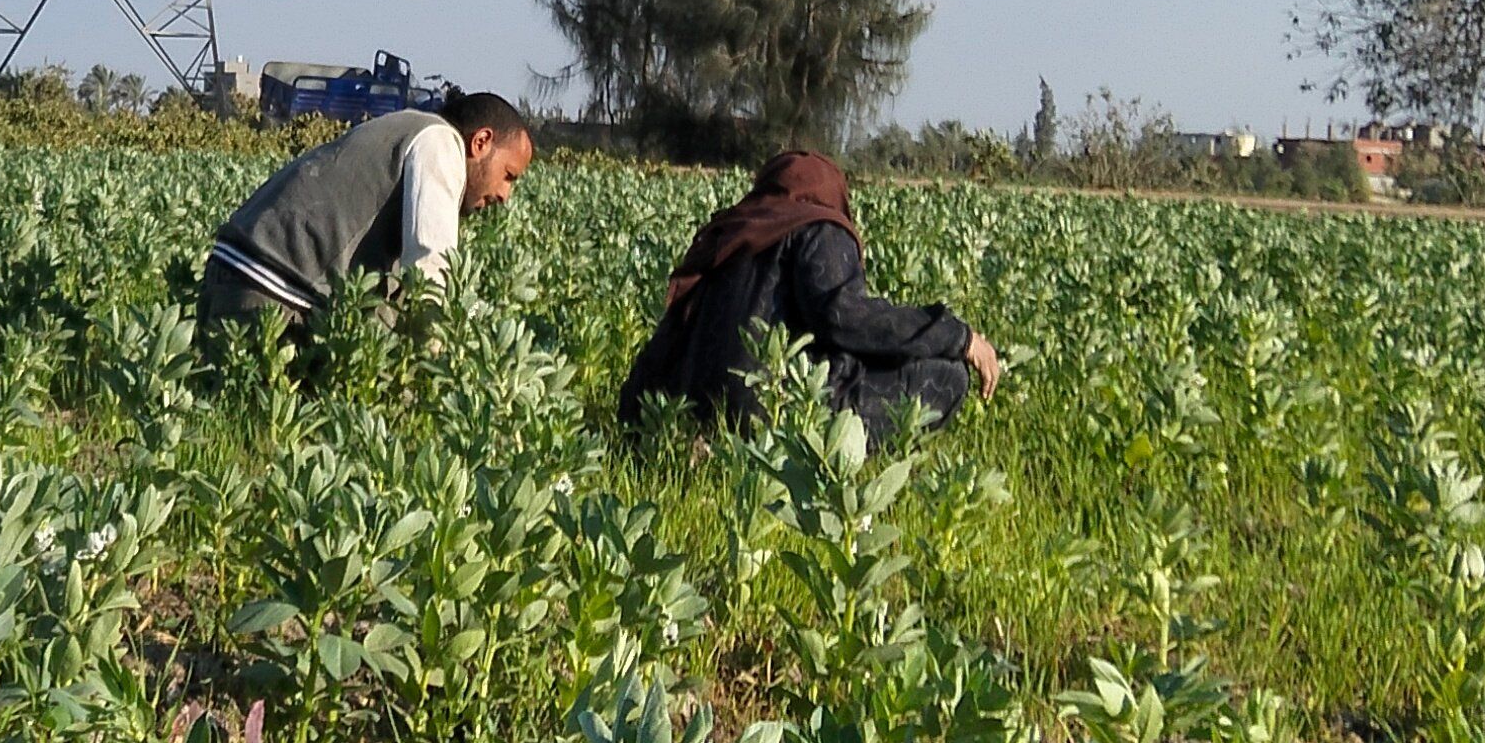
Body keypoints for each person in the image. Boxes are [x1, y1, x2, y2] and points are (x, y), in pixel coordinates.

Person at [616, 148, 1001, 439]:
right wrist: (956, 336)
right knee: (948, 375)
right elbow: (844, 318)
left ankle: (703, 444)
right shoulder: (818, 227)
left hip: (687, 411)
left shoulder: (730, 232)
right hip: (771, 412)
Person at [201, 87, 536, 345]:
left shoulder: (403, 128)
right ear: (481, 142)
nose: (505, 195)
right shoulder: (440, 141)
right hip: (270, 296)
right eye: (508, 175)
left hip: (230, 277)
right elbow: (429, 267)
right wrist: (438, 370)